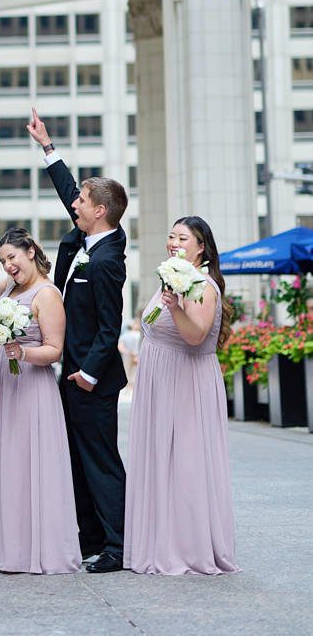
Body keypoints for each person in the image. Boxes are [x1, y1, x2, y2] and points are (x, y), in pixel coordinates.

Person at [27, 109, 128, 574]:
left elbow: (112, 325)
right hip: (70, 373)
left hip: (93, 379)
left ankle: (117, 544)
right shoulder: (86, 237)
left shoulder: (107, 259)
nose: (75, 206)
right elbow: (70, 193)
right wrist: (49, 149)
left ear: (100, 211)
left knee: (100, 460)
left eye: (84, 202)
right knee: (77, 457)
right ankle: (91, 538)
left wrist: (87, 373)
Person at [0, 218, 81, 574]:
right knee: (2, 462)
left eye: (13, 257)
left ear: (31, 252)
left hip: (29, 388)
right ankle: (2, 547)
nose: (9, 266)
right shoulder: (9, 287)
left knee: (24, 464)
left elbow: (55, 350)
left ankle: (30, 548)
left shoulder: (46, 294)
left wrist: (22, 354)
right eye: (4, 261)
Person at [124, 216, 239, 575]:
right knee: (162, 458)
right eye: (171, 236)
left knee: (186, 460)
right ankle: (158, 540)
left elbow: (195, 335)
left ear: (201, 247)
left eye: (183, 238)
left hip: (186, 381)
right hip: (160, 377)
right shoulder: (171, 279)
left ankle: (187, 547)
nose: (174, 242)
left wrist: (176, 307)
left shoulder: (201, 284)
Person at [119, 319, 141, 388]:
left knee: (127, 374)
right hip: (138, 357)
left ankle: (127, 390)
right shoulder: (139, 334)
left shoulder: (125, 335)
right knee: (136, 375)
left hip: (127, 357)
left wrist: (128, 352)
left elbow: (120, 346)